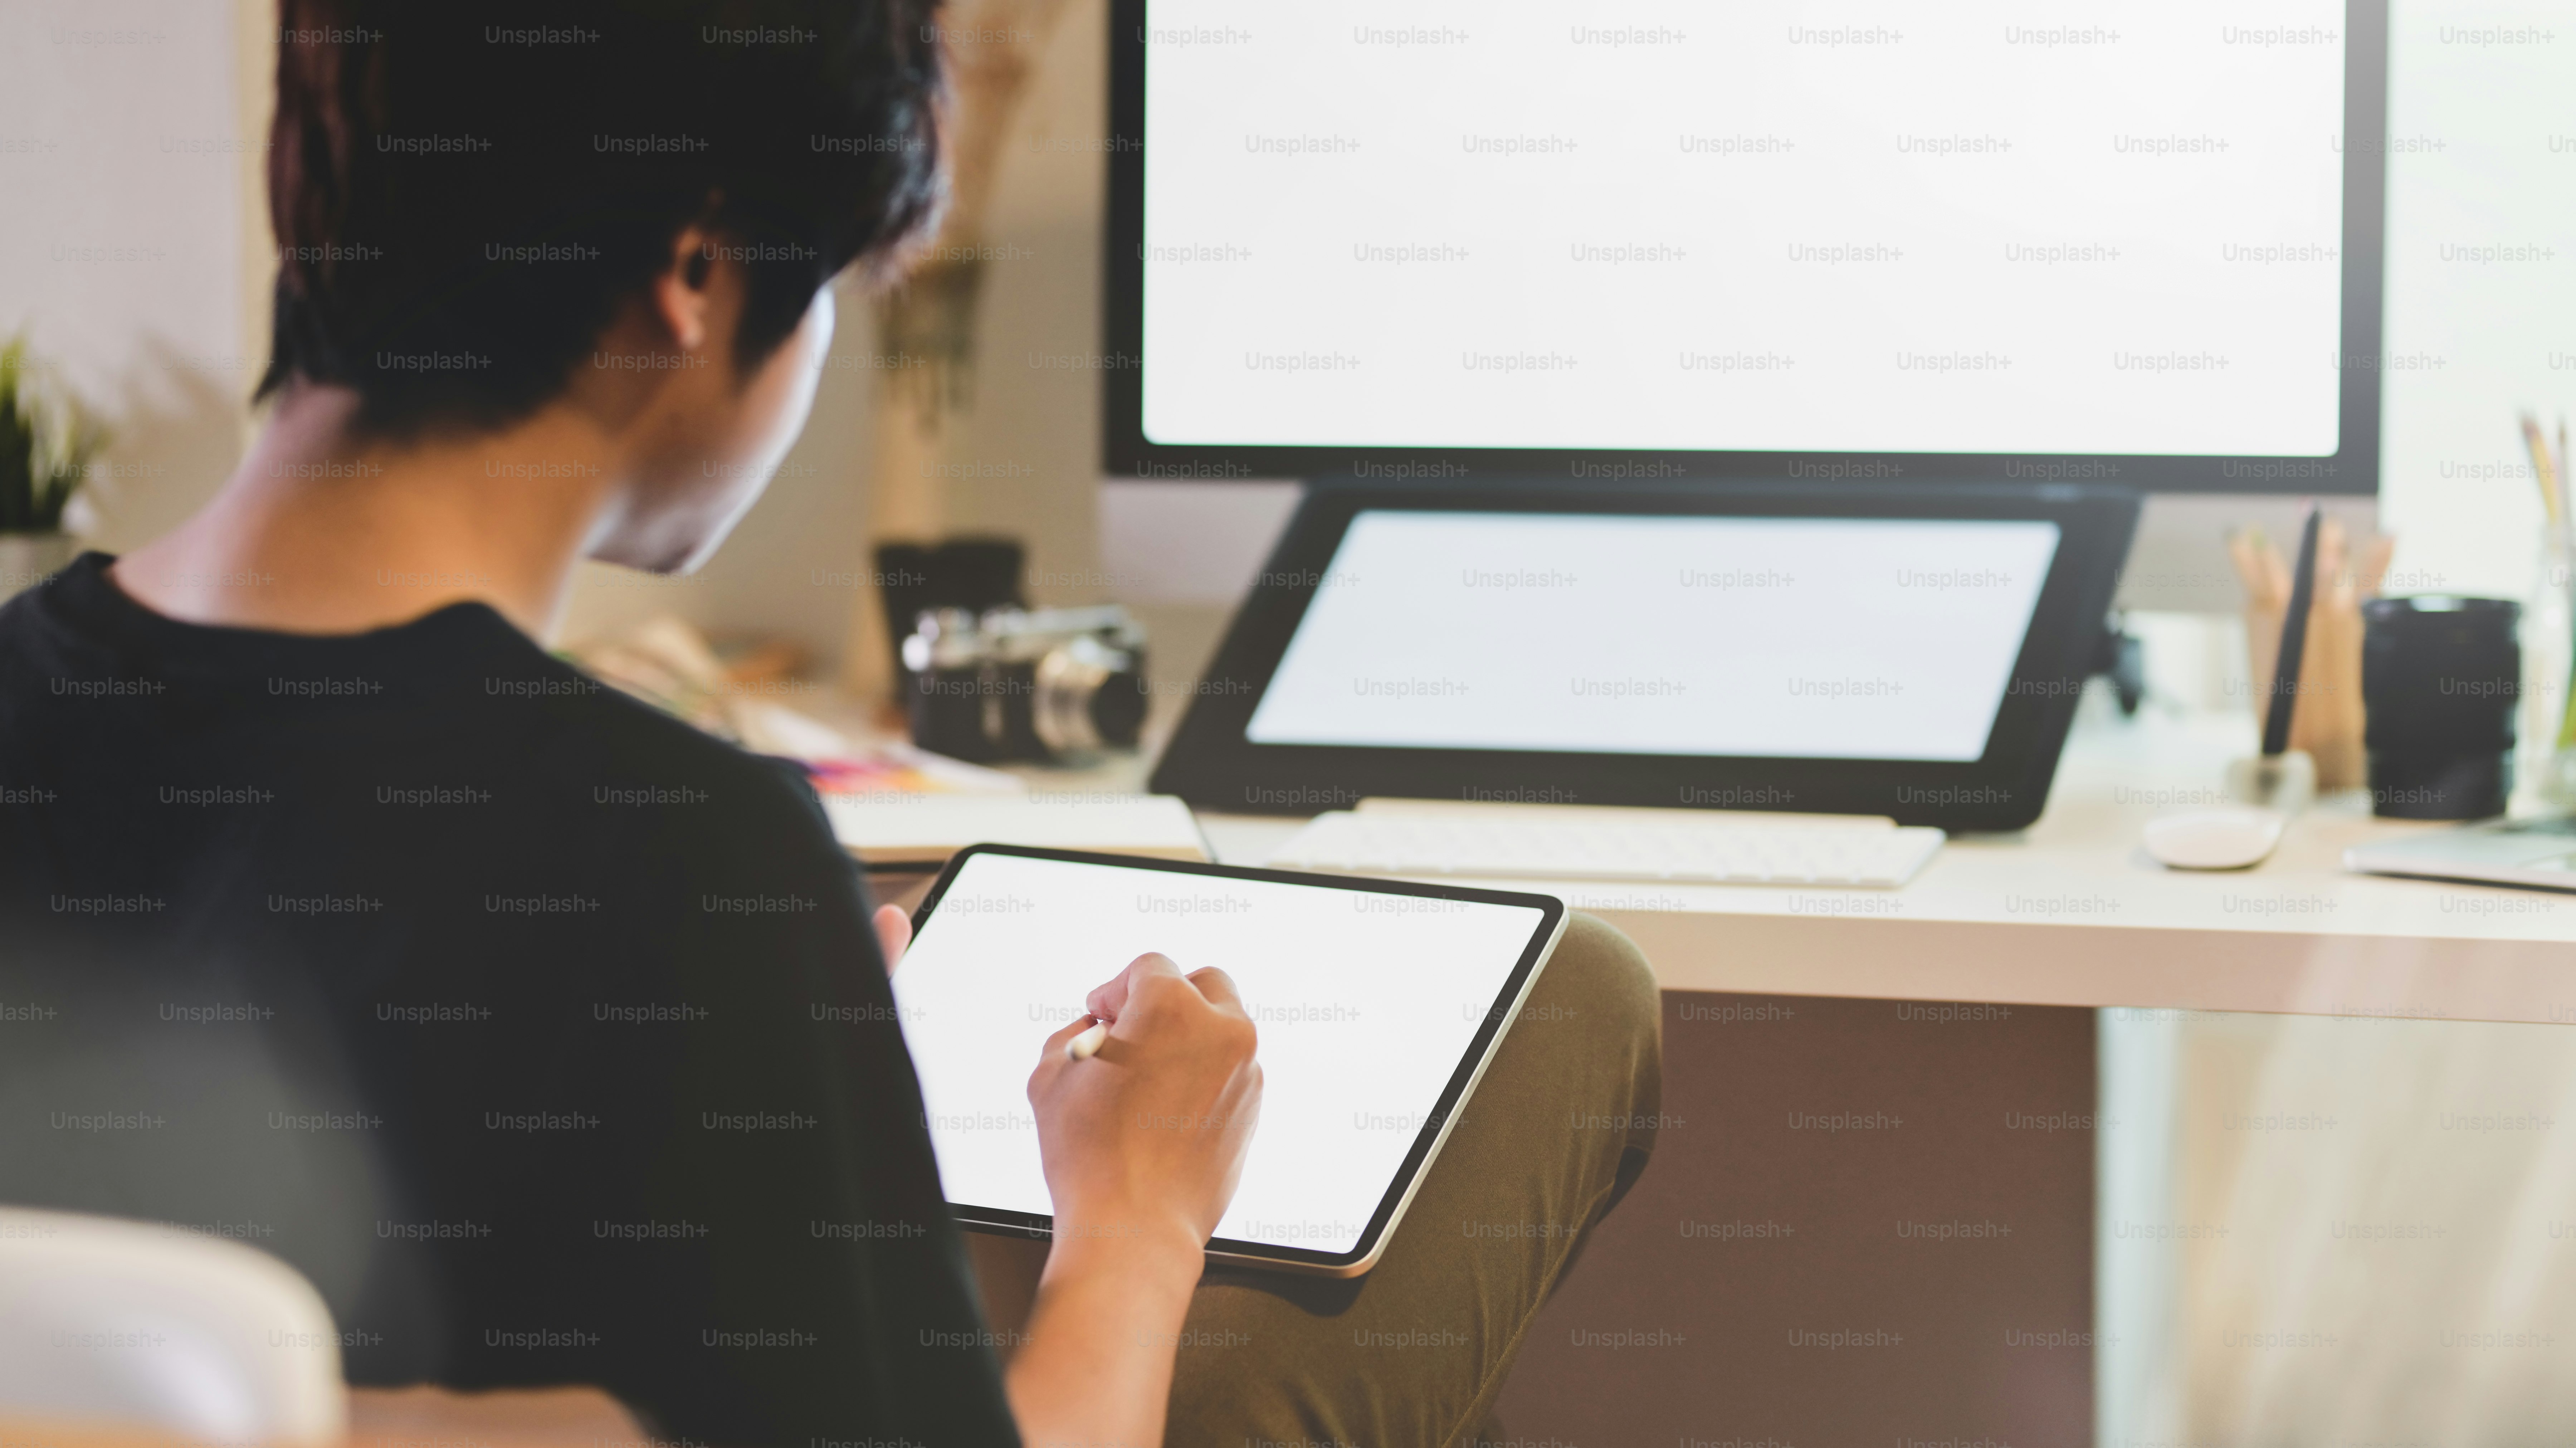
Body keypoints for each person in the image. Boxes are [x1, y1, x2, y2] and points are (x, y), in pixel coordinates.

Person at [0, 4, 1663, 1445]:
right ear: (695, 270)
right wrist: (1140, 1212)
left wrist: (769, 1052)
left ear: (302, 182)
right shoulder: (674, 858)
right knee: (1577, 995)